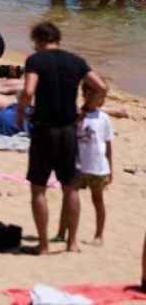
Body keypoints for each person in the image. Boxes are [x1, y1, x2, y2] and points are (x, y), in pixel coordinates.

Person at [16, 21, 109, 255]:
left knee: (38, 188)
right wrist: (85, 109)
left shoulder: (35, 61)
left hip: (44, 129)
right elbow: (101, 87)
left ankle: (45, 245)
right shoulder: (75, 61)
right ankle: (72, 243)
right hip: (69, 130)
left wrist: (21, 111)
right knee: (71, 187)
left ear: (38, 40)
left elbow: (28, 91)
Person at [55, 86, 113, 246]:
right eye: (98, 96)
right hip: (77, 166)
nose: (101, 100)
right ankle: (61, 232)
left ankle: (99, 234)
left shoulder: (104, 118)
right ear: (86, 94)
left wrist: (111, 169)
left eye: (103, 97)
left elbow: (108, 145)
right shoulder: (77, 116)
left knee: (98, 200)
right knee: (68, 198)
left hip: (98, 167)